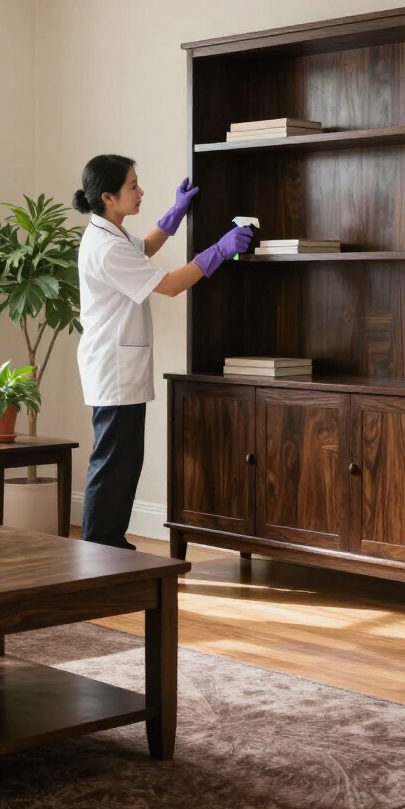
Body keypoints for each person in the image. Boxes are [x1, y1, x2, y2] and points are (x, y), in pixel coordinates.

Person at [72, 153, 252, 549]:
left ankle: (107, 542)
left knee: (123, 459)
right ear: (108, 196)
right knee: (114, 461)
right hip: (113, 368)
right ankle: (100, 545)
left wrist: (176, 212)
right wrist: (219, 251)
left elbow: (146, 248)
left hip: (120, 366)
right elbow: (169, 285)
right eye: (132, 186)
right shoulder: (106, 247)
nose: (140, 191)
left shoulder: (111, 234)